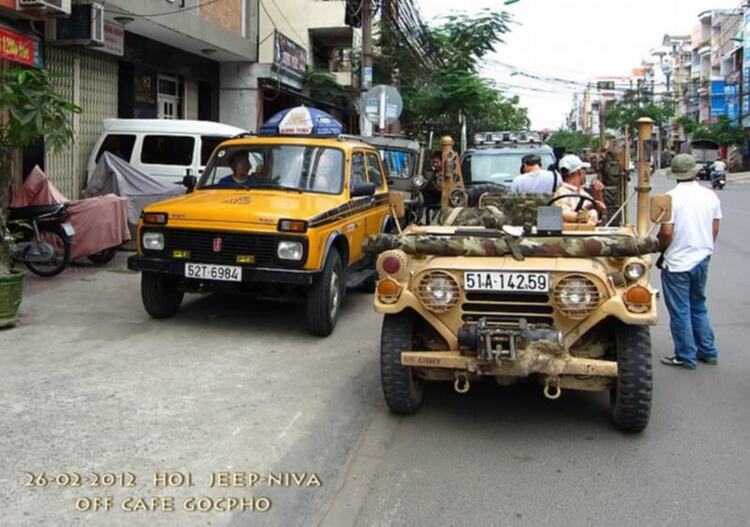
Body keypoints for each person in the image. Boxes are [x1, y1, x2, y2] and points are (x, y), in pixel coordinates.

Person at [658, 154, 721, 369]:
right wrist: (705, 249)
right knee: (699, 306)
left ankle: (686, 355)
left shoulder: (670, 198)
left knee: (680, 311)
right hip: (701, 259)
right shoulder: (710, 195)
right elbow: (714, 228)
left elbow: (666, 232)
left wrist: (660, 247)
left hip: (676, 262)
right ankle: (708, 350)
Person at [553, 154, 607, 223]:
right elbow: (562, 212)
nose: (585, 173)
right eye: (584, 169)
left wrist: (597, 193)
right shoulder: (562, 192)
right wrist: (582, 216)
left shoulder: (582, 192)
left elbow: (600, 210)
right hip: (572, 232)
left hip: (588, 230)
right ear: (579, 172)